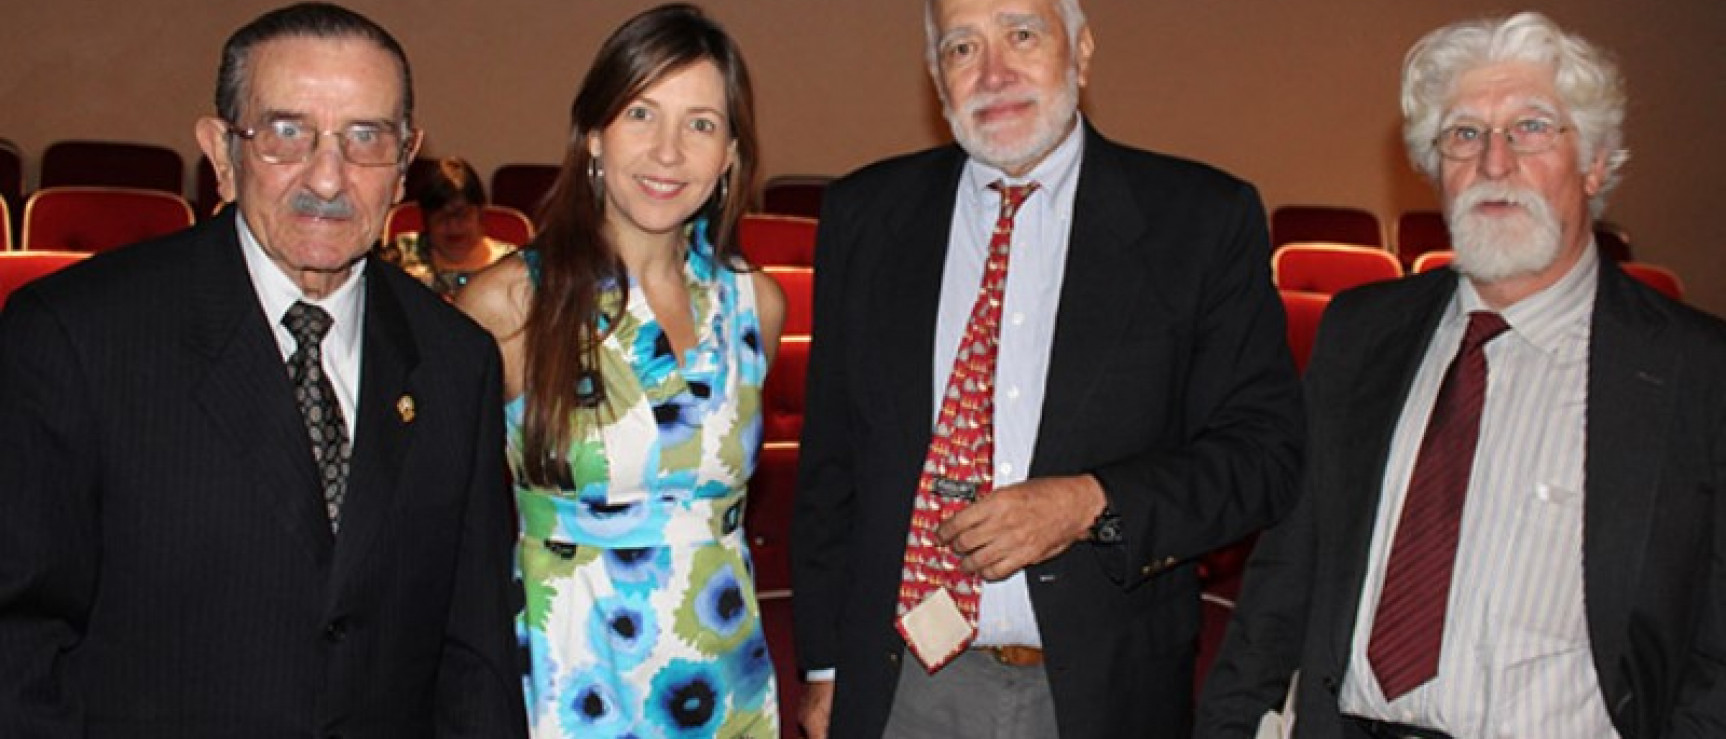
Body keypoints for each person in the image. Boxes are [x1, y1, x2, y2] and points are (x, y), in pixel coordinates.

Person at [0, 2, 527, 736]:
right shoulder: (75, 338)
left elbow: (475, 654)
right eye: (286, 133)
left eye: (365, 137)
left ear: (405, 161)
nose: (329, 178)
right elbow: (19, 643)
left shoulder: (454, 361)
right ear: (222, 152)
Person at [1198, 12, 1726, 738]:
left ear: (1595, 163)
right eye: (1464, 134)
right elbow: (1283, 581)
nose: (1494, 162)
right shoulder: (1361, 333)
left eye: (1531, 128)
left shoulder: (1697, 374)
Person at [789, 0, 1304, 735]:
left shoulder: (1199, 220)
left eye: (1022, 34)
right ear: (936, 76)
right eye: (963, 47)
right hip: (902, 687)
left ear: (1082, 51)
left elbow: (1264, 456)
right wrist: (825, 667)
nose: (993, 72)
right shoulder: (866, 215)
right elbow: (830, 464)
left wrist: (1091, 503)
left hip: (1102, 688)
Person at [456, 4, 785, 737]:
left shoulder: (754, 304)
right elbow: (442, 527)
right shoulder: (510, 304)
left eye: (701, 124)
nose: (669, 151)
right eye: (641, 113)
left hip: (724, 679)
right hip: (573, 683)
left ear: (730, 154)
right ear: (594, 135)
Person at [394, 156, 517, 297]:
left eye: (463, 216)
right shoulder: (402, 254)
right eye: (442, 218)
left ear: (480, 213)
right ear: (427, 219)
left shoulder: (510, 263)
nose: (453, 227)